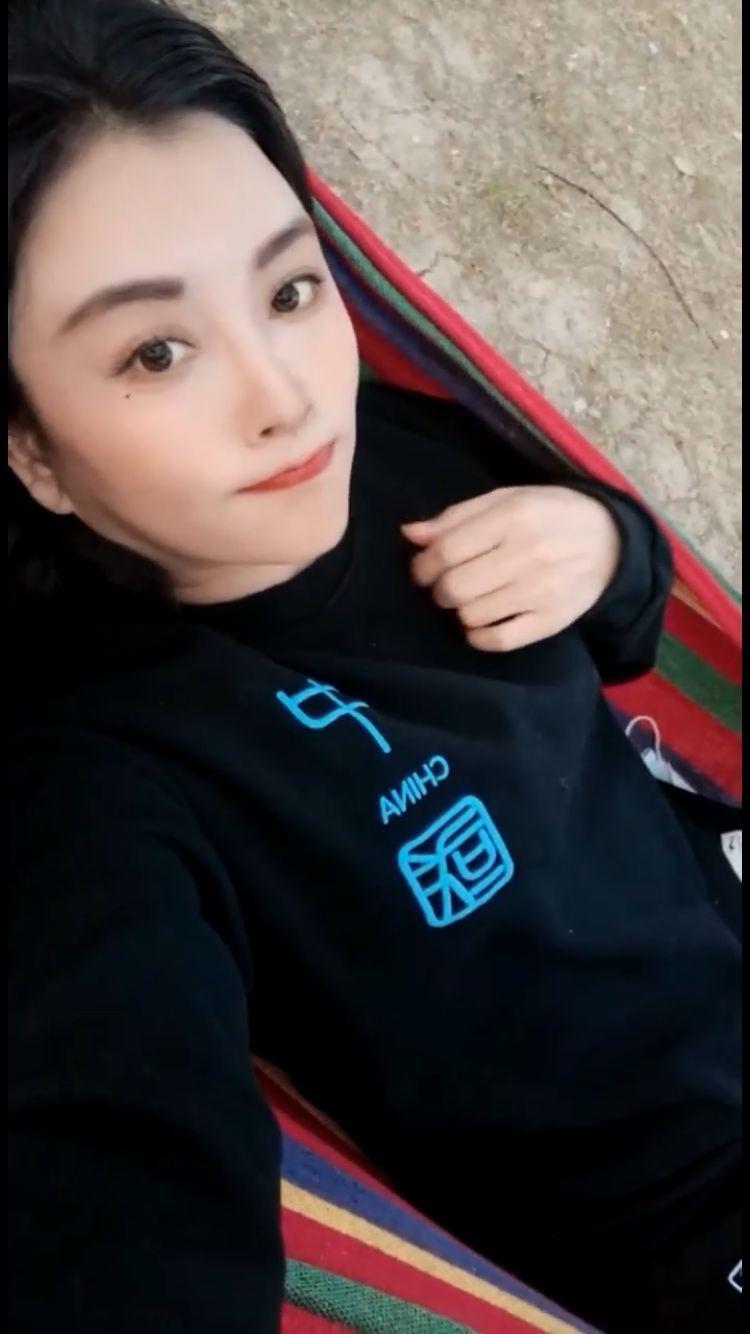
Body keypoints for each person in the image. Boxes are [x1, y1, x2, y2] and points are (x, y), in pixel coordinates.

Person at [8, 2, 741, 1330]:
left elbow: (638, 621)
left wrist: (602, 546)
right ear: (32, 452)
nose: (285, 393)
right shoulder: (97, 777)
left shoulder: (388, 444)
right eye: (156, 351)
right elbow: (111, 1165)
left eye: (290, 290)